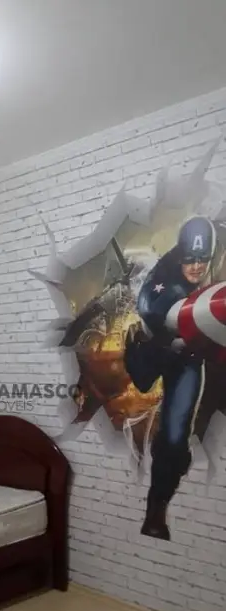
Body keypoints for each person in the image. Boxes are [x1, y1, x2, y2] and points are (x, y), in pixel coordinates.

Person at [124, 216, 217, 540]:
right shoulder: (162, 282)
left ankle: (156, 509)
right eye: (190, 259)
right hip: (156, 345)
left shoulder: (207, 275)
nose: (196, 266)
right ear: (179, 255)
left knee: (176, 440)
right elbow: (148, 307)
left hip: (187, 354)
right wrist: (168, 337)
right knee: (142, 378)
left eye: (202, 259)